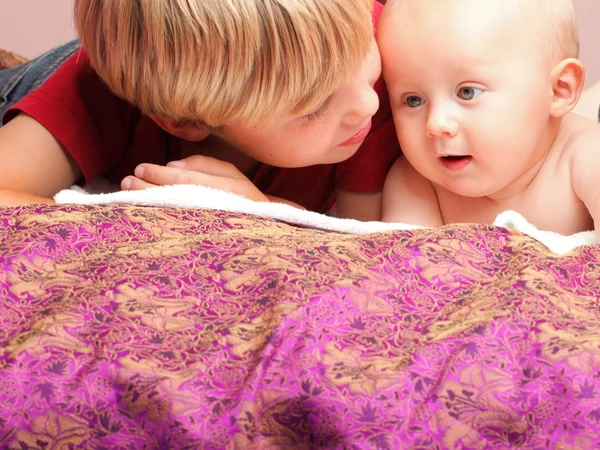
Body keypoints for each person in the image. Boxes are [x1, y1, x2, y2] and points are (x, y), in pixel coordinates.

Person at [0, 0, 400, 221]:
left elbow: (374, 237)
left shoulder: (388, 38)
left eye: (364, 47)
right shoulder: (94, 93)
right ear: (187, 122)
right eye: (314, 104)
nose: (369, 102)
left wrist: (267, 210)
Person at [379, 0, 600, 237]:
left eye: (467, 92)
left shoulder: (585, 155)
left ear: (558, 89)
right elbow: (410, 266)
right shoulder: (416, 182)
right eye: (414, 100)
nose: (436, 124)